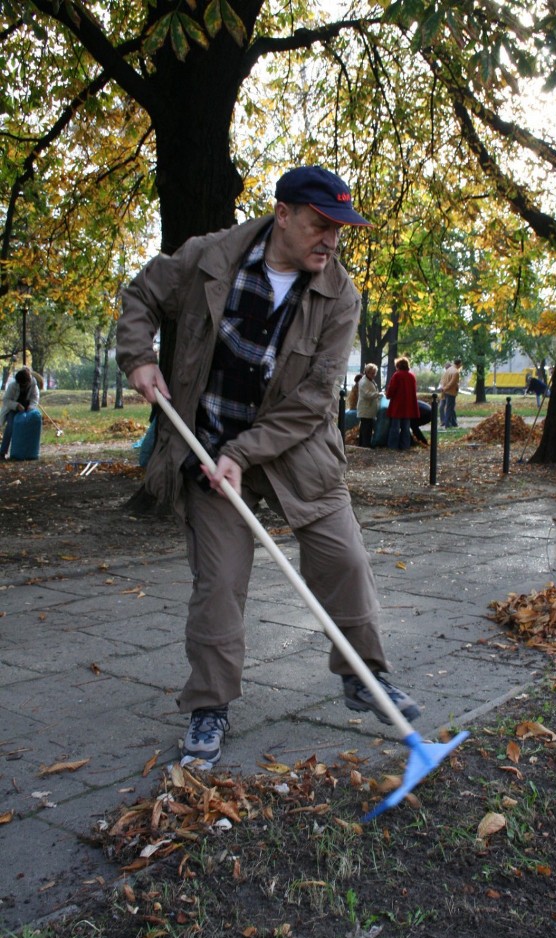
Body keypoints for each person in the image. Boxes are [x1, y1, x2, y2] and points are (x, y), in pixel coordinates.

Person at [116, 165, 420, 765]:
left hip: (297, 453)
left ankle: (365, 676)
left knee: (345, 561)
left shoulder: (340, 295)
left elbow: (312, 401)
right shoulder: (210, 257)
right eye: (319, 224)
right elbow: (142, 295)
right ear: (283, 214)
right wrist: (138, 357)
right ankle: (210, 705)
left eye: (339, 229)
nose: (330, 240)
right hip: (207, 448)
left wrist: (244, 452)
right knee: (219, 585)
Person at [0, 367, 40, 460]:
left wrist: (31, 406)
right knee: (10, 427)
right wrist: (16, 405)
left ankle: (28, 451)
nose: (22, 386)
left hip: (28, 410)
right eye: (21, 384)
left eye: (24, 384)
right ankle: (2, 452)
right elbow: (6, 400)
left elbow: (35, 398)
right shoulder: (12, 386)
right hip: (13, 410)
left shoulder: (33, 385)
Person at [385, 356, 419, 451]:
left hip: (398, 404)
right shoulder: (411, 376)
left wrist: (388, 395)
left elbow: (392, 389)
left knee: (395, 427)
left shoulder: (397, 375)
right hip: (408, 405)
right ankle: (405, 446)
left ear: (398, 365)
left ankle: (393, 446)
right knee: (406, 427)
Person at [356, 363, 381, 448]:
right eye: (372, 373)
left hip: (368, 409)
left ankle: (363, 444)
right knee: (366, 428)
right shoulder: (364, 382)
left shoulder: (369, 380)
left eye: (374, 373)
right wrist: (378, 394)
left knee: (366, 427)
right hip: (365, 409)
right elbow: (366, 395)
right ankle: (365, 444)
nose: (373, 375)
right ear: (367, 372)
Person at [440, 358, 462, 428]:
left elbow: (444, 380)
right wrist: (445, 388)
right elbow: (452, 383)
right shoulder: (456, 372)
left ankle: (454, 423)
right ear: (459, 364)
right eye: (461, 364)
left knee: (451, 408)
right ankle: (447, 424)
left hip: (446, 392)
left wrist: (443, 388)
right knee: (449, 408)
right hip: (451, 392)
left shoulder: (449, 369)